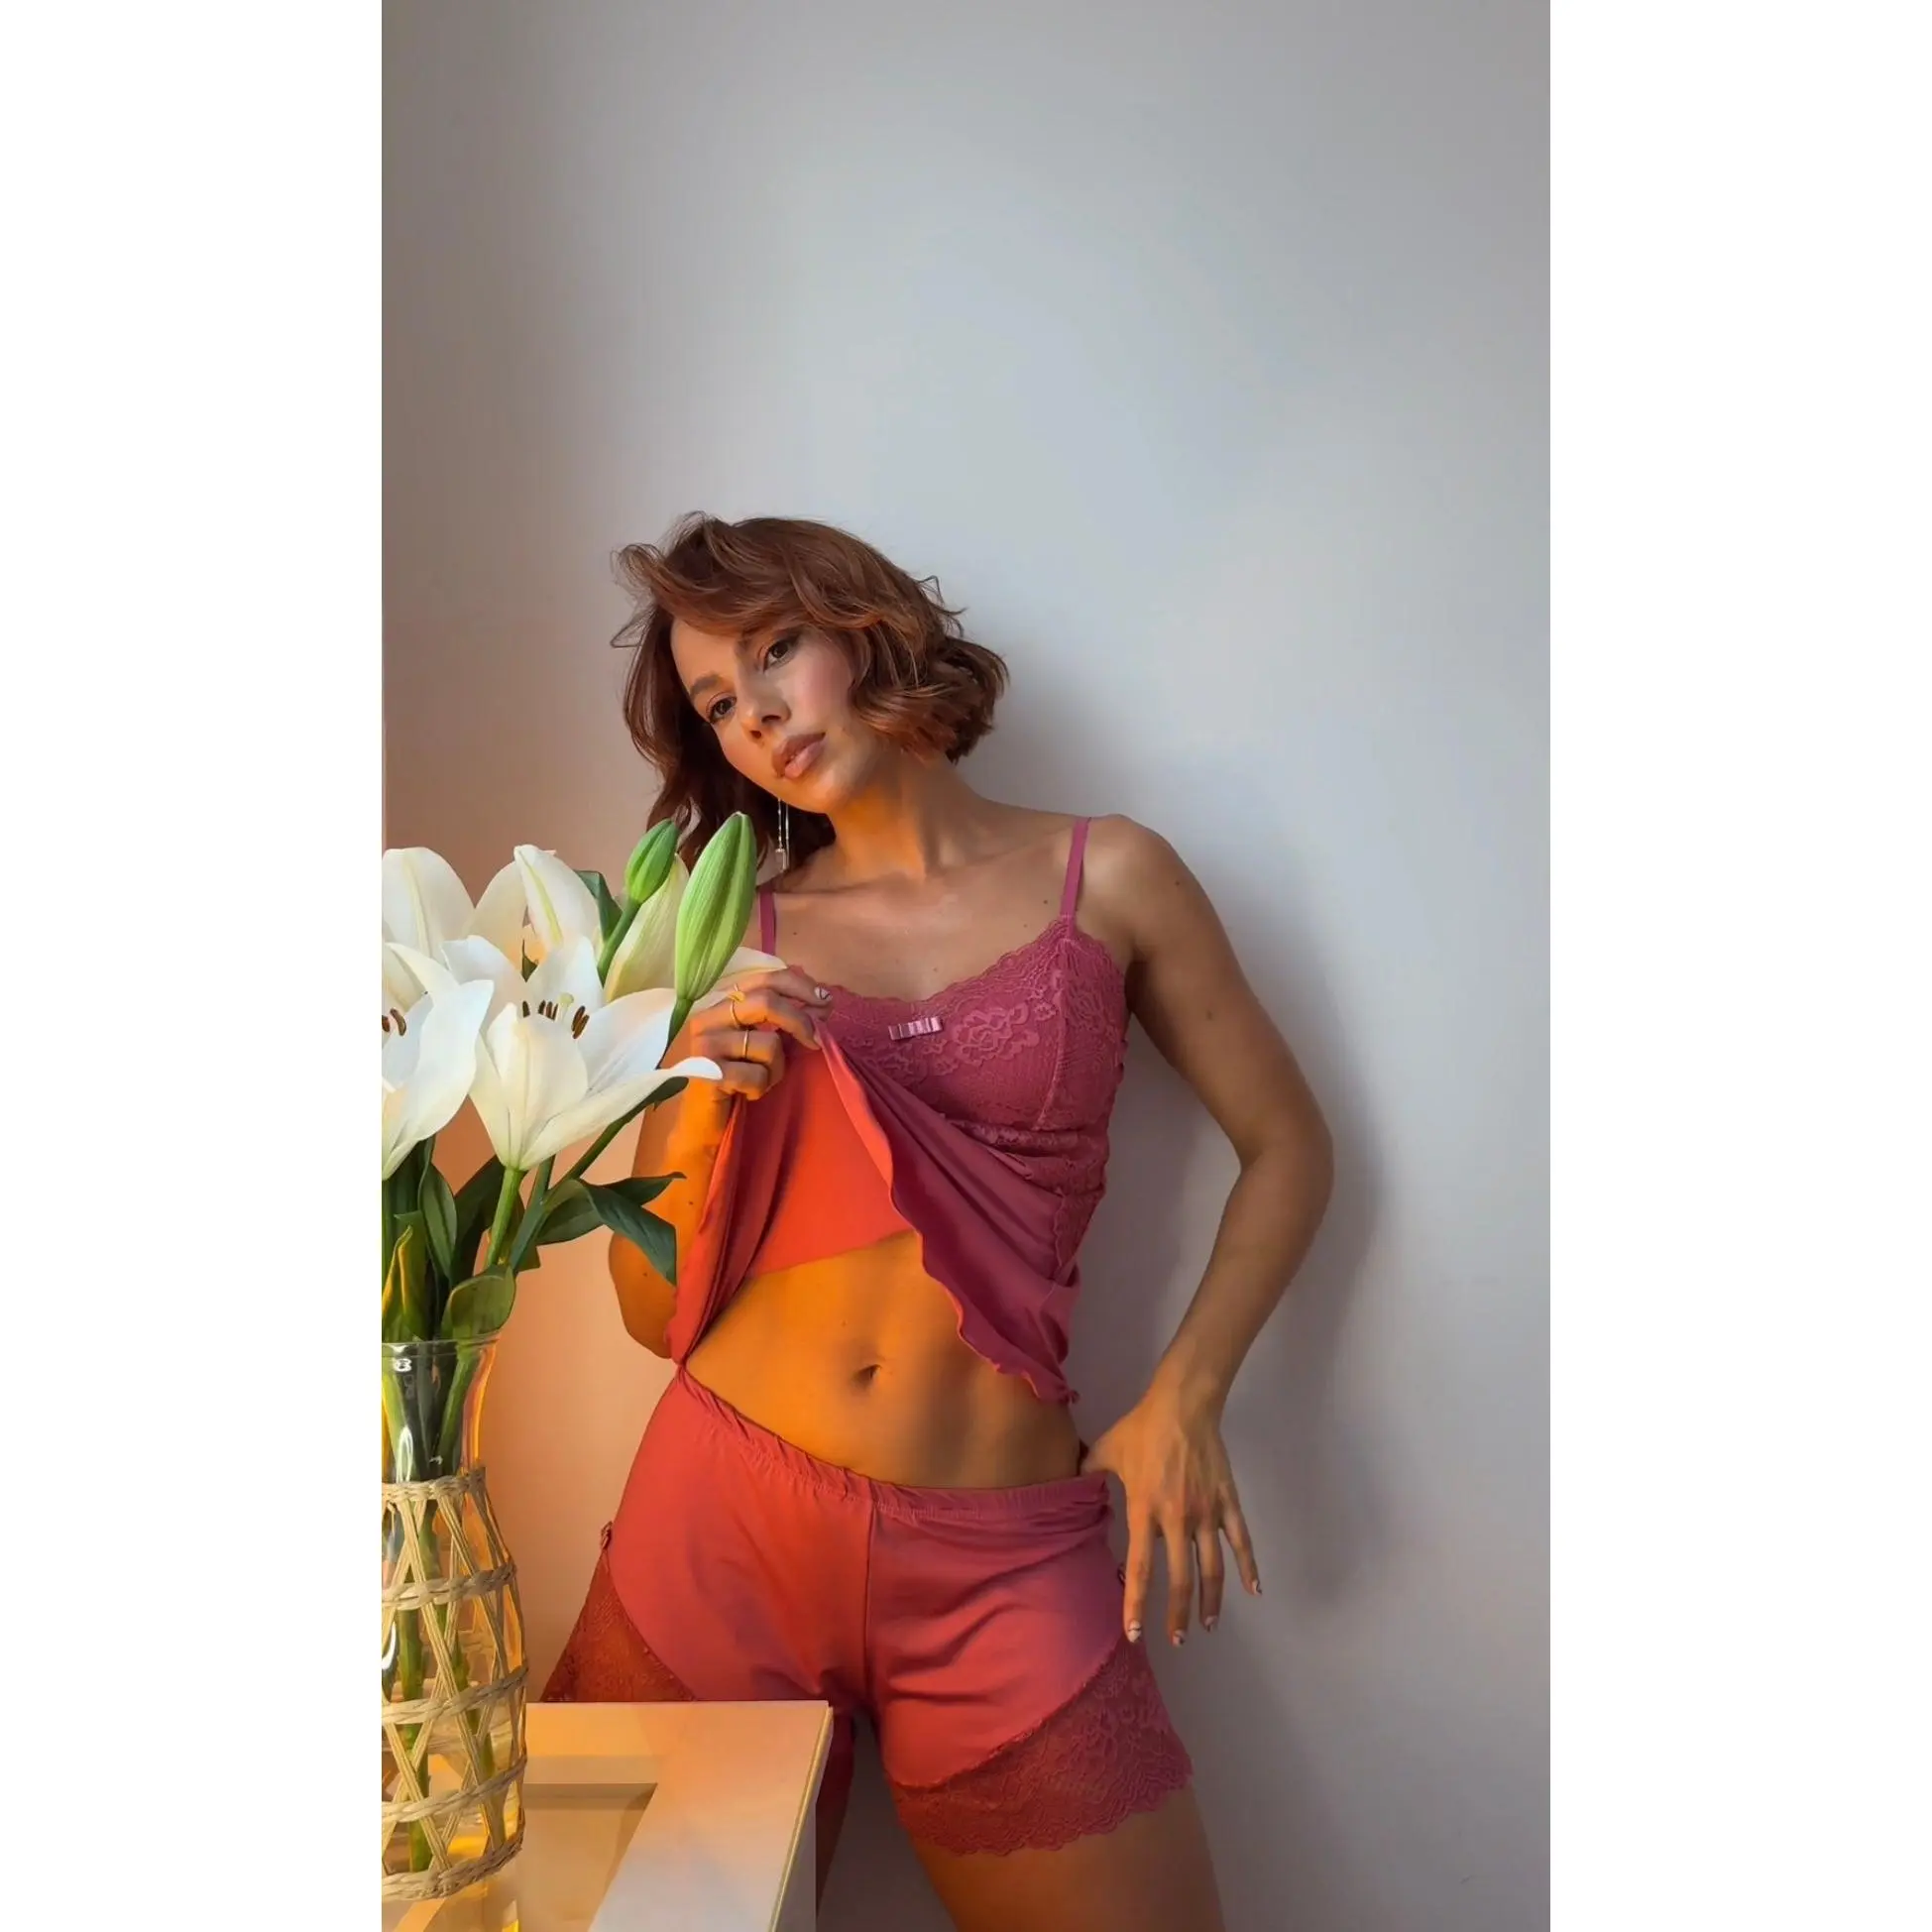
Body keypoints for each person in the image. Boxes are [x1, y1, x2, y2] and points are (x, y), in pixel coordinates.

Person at [544, 513, 1333, 1931]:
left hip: (1000, 1560)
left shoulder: (1113, 876)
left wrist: (1186, 1396)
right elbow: (652, 1314)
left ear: (867, 626)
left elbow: (1288, 1147)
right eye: (716, 703)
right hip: (721, 1525)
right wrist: (701, 1094)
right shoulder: (726, 939)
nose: (756, 714)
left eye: (775, 649)